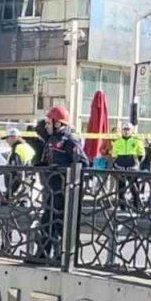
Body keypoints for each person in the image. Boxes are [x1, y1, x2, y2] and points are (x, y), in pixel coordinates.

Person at [35, 105, 87, 263]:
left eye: (50, 123)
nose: (46, 126)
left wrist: (63, 170)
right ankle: (43, 254)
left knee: (60, 224)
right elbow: (39, 129)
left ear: (58, 123)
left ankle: (62, 256)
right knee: (46, 222)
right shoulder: (52, 139)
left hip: (65, 189)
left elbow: (83, 164)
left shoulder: (70, 140)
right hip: (52, 188)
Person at [111, 122, 144, 209]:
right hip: (121, 166)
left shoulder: (136, 140)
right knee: (121, 188)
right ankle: (122, 207)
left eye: (128, 129)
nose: (126, 131)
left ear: (131, 130)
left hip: (132, 166)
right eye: (124, 129)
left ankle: (136, 206)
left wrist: (137, 164)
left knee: (134, 187)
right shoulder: (117, 141)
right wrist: (116, 164)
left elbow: (141, 154)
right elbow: (114, 155)